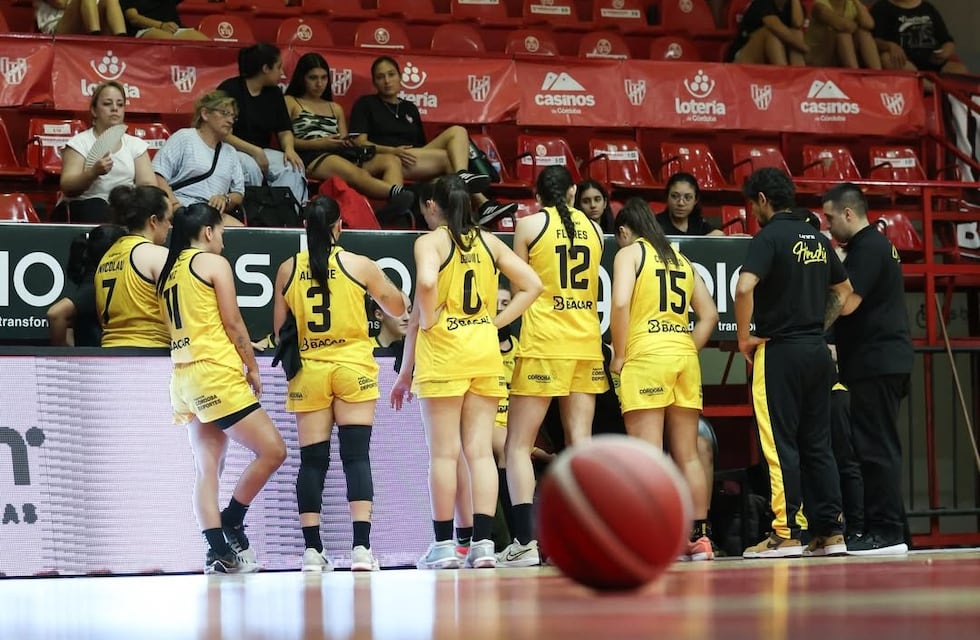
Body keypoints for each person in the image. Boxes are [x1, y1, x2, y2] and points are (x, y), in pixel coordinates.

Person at [389, 174, 542, 570]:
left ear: (431, 205)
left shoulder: (430, 242)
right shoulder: (489, 242)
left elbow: (425, 285)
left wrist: (429, 320)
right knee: (480, 453)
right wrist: (497, 321)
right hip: (483, 353)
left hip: (445, 356)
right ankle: (484, 545)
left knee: (444, 454)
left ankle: (443, 545)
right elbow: (533, 284)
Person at [273, 195, 406, 572]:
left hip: (310, 371)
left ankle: (312, 552)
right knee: (356, 457)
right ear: (339, 227)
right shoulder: (358, 264)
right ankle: (361, 549)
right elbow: (397, 307)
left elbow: (279, 330)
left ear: (305, 227)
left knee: (312, 462)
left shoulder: (288, 268)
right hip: (352, 367)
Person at [157, 203, 286, 574]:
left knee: (207, 470)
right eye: (222, 233)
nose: (224, 242)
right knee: (273, 451)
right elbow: (233, 322)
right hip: (215, 372)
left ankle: (218, 552)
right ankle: (232, 519)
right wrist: (253, 366)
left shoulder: (168, 272)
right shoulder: (212, 263)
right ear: (208, 232)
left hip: (184, 377)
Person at [734, 167, 852, 558]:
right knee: (818, 444)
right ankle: (831, 532)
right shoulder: (817, 238)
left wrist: (744, 337)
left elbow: (744, 287)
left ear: (762, 200)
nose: (754, 213)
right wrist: (815, 325)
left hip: (780, 351)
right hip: (816, 349)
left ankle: (785, 533)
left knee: (779, 443)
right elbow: (844, 290)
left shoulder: (768, 237)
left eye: (753, 205)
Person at [498, 165, 607, 567]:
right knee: (581, 443)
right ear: (574, 192)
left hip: (544, 343)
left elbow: (519, 288)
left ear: (536, 195)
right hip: (586, 343)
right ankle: (588, 537)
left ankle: (525, 542)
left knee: (517, 445)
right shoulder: (595, 230)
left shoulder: (528, 226)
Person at [609, 198, 720, 561]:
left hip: (646, 356)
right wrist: (684, 347)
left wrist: (620, 354)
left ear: (624, 231)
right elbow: (710, 315)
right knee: (688, 455)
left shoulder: (630, 253)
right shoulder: (680, 259)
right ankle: (699, 538)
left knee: (647, 456)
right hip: (683, 357)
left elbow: (620, 303)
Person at [823, 182, 913, 556]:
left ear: (849, 213)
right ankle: (894, 529)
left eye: (830, 218)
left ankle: (886, 531)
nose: (828, 226)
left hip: (876, 362)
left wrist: (813, 328)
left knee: (876, 449)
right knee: (876, 446)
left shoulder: (868, 247)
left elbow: (846, 302)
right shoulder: (875, 246)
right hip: (878, 361)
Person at [348, 56, 516, 225]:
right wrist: (393, 151)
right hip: (388, 159)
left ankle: (463, 176)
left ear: (400, 77)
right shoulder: (365, 104)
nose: (387, 81)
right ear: (374, 82)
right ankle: (481, 205)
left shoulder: (409, 108)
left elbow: (421, 145)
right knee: (447, 159)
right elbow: (359, 142)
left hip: (414, 157)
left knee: (458, 131)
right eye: (380, 77)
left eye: (391, 74)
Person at [284, 53, 415, 223]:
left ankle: (391, 212)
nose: (319, 83)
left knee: (391, 160)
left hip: (340, 153)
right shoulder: (291, 101)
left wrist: (346, 143)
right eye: (313, 78)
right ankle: (398, 194)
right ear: (302, 78)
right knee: (357, 173)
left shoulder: (335, 108)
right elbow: (286, 140)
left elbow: (345, 140)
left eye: (323, 78)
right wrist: (320, 143)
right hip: (311, 156)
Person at [217, 43, 307, 206]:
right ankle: (255, 214)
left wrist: (289, 149)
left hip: (262, 151)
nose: (282, 72)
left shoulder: (275, 93)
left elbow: (284, 129)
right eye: (278, 67)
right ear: (265, 68)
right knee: (251, 168)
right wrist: (255, 151)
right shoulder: (229, 89)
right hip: (232, 149)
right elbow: (222, 133)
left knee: (293, 167)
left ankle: (289, 214)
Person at [59, 81, 157, 223]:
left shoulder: (135, 144)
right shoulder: (79, 143)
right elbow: (68, 186)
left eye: (120, 104)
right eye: (107, 104)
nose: (115, 108)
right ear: (94, 110)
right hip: (88, 207)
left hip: (125, 207)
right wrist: (93, 173)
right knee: (97, 206)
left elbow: (148, 185)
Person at [153, 90, 246, 228]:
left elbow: (238, 193)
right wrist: (175, 207)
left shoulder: (230, 152)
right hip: (181, 208)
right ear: (205, 114)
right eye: (225, 113)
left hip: (211, 213)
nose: (230, 121)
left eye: (233, 116)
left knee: (243, 233)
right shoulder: (184, 138)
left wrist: (225, 199)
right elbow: (157, 174)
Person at [94, 185, 172, 348]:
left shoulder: (106, 257)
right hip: (150, 351)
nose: (169, 226)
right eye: (168, 220)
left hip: (108, 351)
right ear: (153, 221)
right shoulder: (157, 255)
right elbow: (177, 313)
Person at [47, 224, 126, 346]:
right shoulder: (95, 283)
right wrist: (64, 353)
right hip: (98, 355)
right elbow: (55, 314)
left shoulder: (98, 275)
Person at [871, 0, 967, 74]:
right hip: (905, 61)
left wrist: (945, 52)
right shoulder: (881, 8)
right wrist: (889, 46)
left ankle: (938, 87)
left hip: (932, 61)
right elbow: (873, 40)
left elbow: (947, 41)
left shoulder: (928, 7)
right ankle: (930, 86)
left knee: (959, 69)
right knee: (886, 59)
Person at [726, 0, 807, 66]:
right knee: (771, 34)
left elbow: (798, 24)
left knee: (796, 33)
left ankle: (799, 77)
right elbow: (775, 27)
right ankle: (783, 75)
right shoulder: (762, 3)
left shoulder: (792, 6)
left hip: (769, 61)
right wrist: (807, 50)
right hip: (743, 58)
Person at [805, 0, 882, 69]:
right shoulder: (819, 5)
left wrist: (856, 2)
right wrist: (856, 26)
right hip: (819, 56)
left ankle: (878, 75)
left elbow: (869, 24)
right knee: (843, 36)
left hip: (839, 55)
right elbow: (844, 26)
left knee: (864, 34)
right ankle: (854, 75)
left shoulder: (850, 4)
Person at [656, 172, 723, 237]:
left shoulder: (697, 223)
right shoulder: (655, 224)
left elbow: (719, 234)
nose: (681, 203)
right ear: (667, 197)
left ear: (695, 200)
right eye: (674, 196)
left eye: (687, 197)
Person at [119, 0, 209, 39]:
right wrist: (161, 25)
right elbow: (133, 18)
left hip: (175, 29)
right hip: (146, 30)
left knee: (207, 46)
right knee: (171, 45)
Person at [33, 0, 126, 36]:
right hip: (57, 29)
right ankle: (94, 40)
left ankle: (122, 42)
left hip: (90, 21)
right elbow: (60, 3)